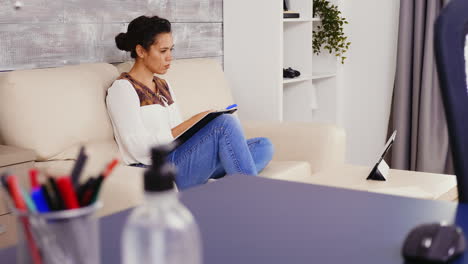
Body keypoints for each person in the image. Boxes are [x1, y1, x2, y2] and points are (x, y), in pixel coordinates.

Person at [106, 15, 274, 190]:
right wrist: (193, 121)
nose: (169, 57)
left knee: (263, 146)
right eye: (163, 51)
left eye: (171, 50)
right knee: (224, 124)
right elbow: (138, 149)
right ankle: (252, 194)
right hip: (157, 168)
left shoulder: (164, 85)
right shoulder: (123, 89)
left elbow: (180, 138)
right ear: (141, 51)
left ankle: (225, 177)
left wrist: (201, 125)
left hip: (180, 158)